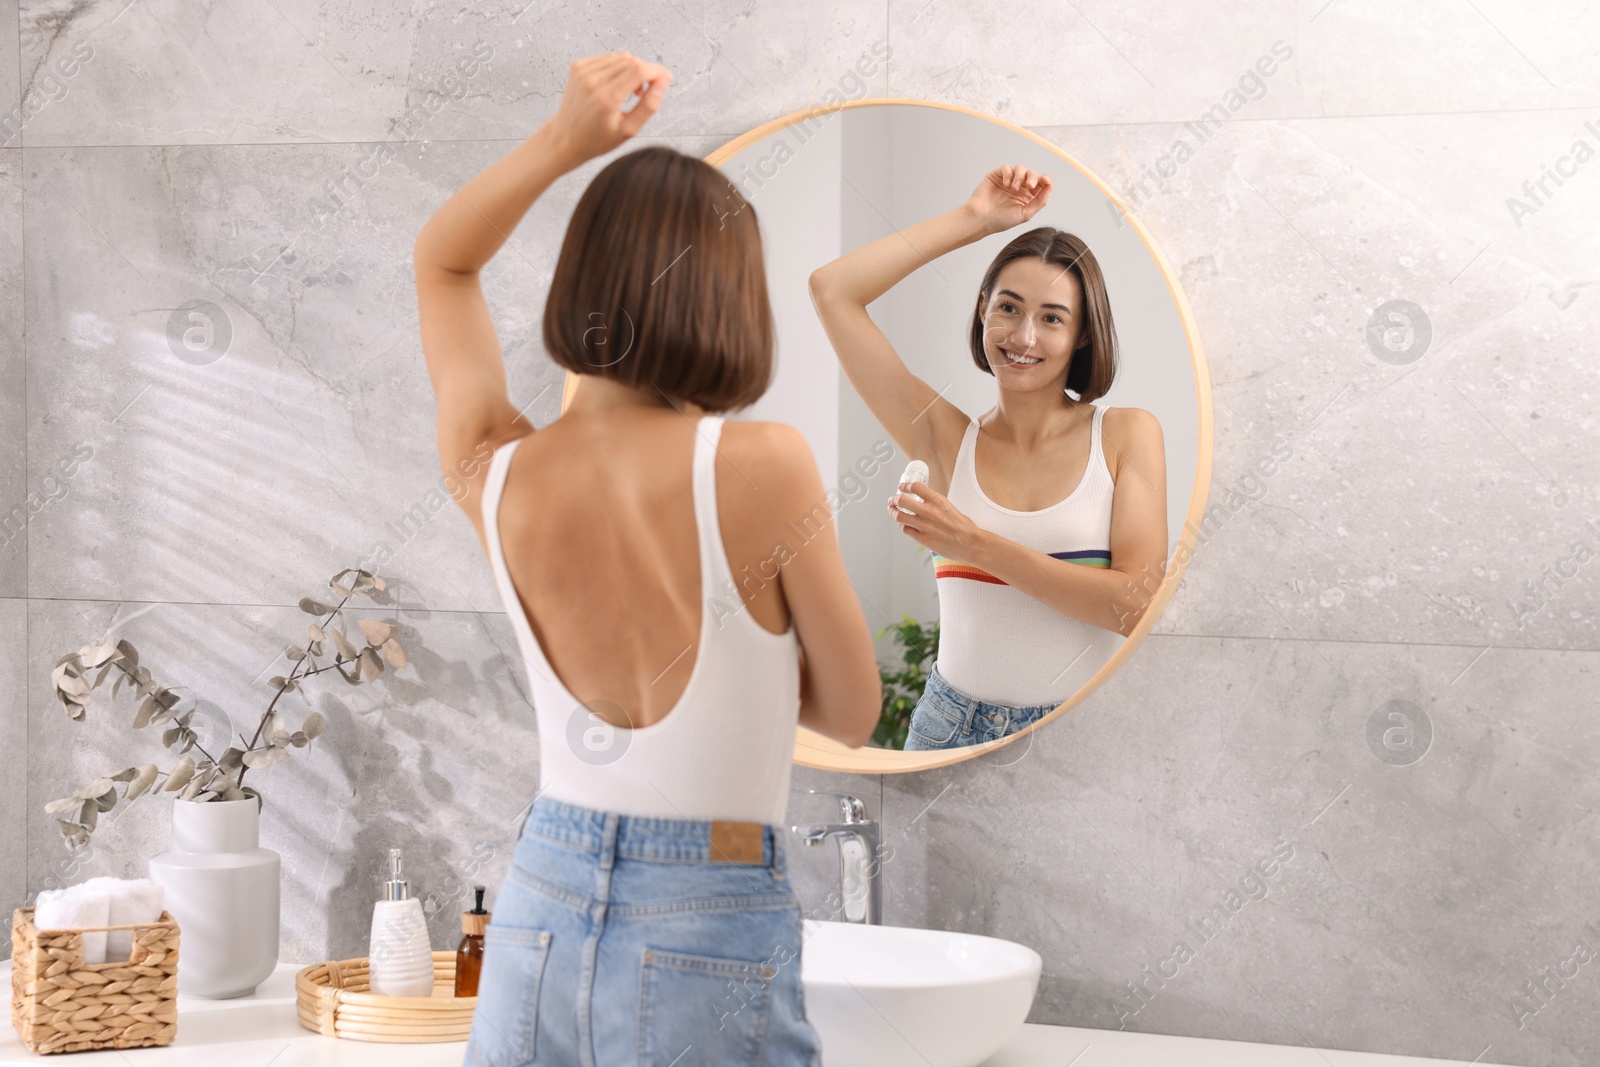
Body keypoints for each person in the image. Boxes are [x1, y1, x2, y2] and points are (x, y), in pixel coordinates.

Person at [414, 50, 881, 1066]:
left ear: (584, 278)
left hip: (539, 895)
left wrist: (563, 141)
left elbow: (443, 263)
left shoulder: (493, 470)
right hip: (707, 910)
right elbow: (852, 711)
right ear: (728, 300)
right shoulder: (761, 463)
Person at [809, 166, 1168, 752]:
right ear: (982, 311)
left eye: (1052, 317)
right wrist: (974, 219)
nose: (1023, 337)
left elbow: (1132, 606)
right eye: (1008, 307)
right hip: (947, 725)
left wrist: (974, 545)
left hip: (1079, 730)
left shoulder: (1125, 434)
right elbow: (833, 289)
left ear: (1081, 335)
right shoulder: (944, 439)